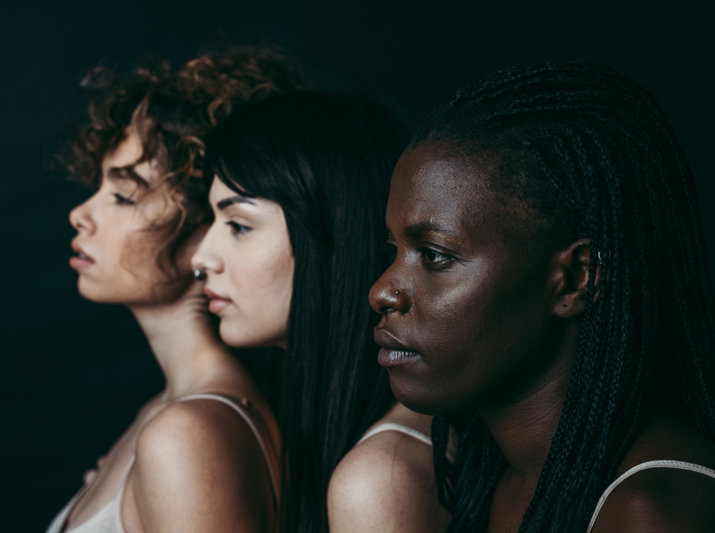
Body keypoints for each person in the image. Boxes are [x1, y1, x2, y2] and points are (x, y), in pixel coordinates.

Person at [369, 60, 715, 532]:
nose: (382, 291)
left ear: (578, 276)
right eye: (392, 249)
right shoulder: (493, 475)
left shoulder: (652, 511)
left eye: (435, 255)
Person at [46, 48, 302, 533]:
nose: (80, 213)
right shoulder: (164, 412)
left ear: (206, 225)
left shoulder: (189, 433)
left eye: (124, 195)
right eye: (98, 185)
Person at [191, 92, 451, 533]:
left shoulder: (377, 482)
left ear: (334, 238)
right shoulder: (322, 433)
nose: (201, 257)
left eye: (238, 225)